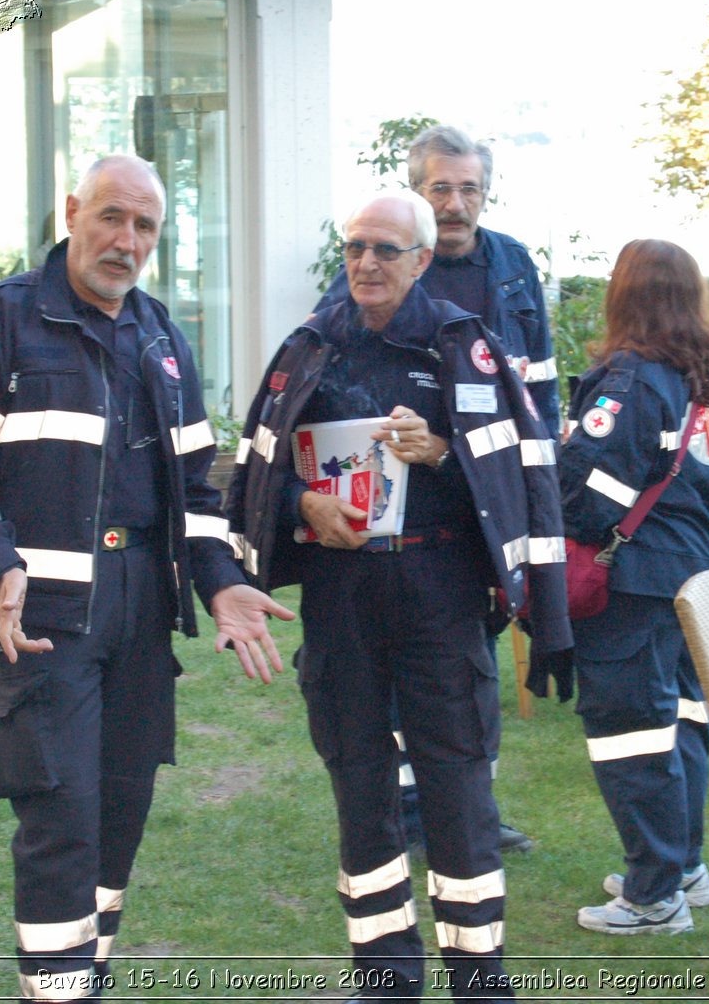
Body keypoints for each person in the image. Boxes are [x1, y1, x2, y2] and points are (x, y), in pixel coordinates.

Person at [0, 154, 293, 1003]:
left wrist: (221, 581)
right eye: (112, 218)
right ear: (72, 212)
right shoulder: (0, 318)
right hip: (43, 613)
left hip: (140, 614)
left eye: (145, 227)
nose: (126, 241)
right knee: (61, 820)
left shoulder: (162, 336)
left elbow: (197, 489)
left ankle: (77, 981)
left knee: (118, 818)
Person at [226, 190, 570, 999]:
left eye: (385, 250)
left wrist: (445, 452)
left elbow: (525, 478)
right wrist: (300, 507)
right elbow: (254, 479)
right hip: (341, 599)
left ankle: (479, 979)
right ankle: (384, 977)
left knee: (457, 788)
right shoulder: (309, 347)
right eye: (355, 248)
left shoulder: (464, 345)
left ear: (421, 261)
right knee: (360, 788)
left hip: (439, 596)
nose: (366, 264)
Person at [316, 125, 555, 852]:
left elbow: (536, 386)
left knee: (470, 667)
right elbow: (329, 380)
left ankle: (465, 803)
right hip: (399, 517)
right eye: (440, 189)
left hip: (487, 498)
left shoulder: (512, 266)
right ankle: (410, 812)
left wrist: (538, 482)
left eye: (469, 189)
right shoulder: (376, 264)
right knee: (402, 672)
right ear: (417, 196)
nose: (456, 204)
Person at [557, 239, 709, 935]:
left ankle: (653, 896)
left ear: (624, 294)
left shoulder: (630, 380)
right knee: (684, 722)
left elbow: (588, 492)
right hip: (700, 577)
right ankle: (681, 867)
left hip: (635, 581)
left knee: (630, 734)